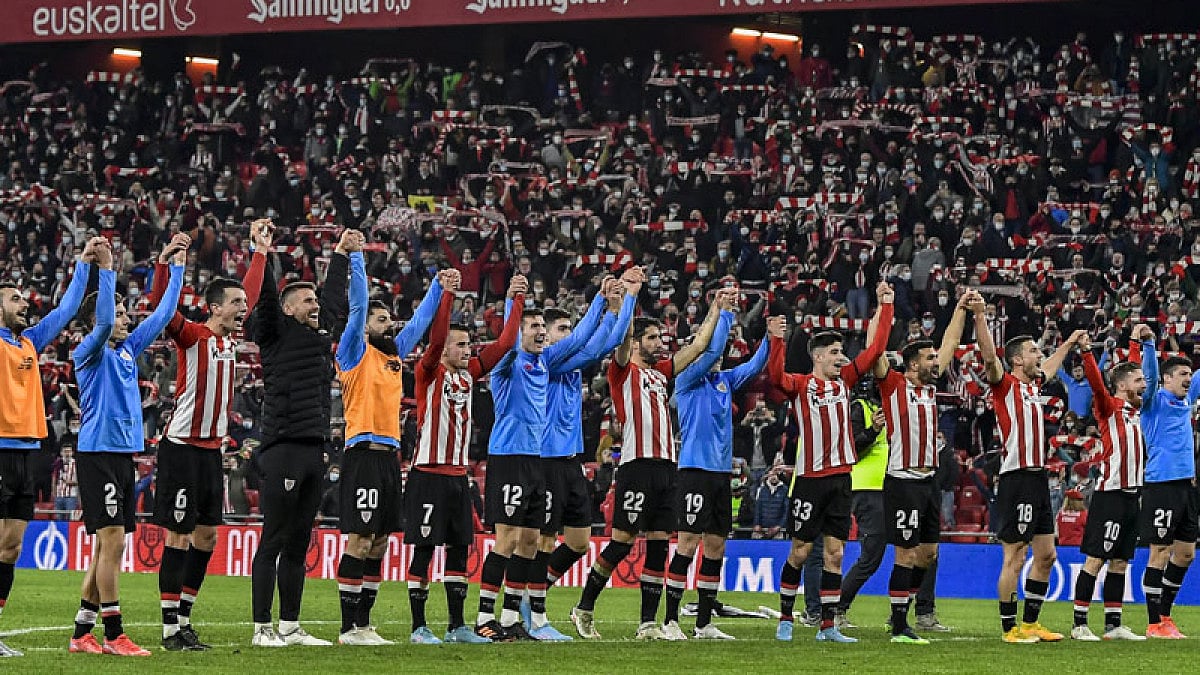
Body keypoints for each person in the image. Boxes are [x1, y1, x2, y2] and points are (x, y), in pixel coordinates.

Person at [571, 294, 727, 641]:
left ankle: (647, 624)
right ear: (638, 341)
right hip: (636, 466)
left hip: (666, 468)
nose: (660, 343)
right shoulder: (622, 370)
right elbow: (623, 341)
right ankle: (583, 608)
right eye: (653, 338)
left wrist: (716, 307)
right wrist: (630, 296)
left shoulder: (661, 374)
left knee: (659, 544)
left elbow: (700, 345)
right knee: (622, 542)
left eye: (660, 338)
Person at [149, 225, 268, 652]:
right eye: (235, 304)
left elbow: (250, 291)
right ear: (213, 308)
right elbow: (161, 310)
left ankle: (183, 618)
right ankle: (168, 630)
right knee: (178, 535)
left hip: (211, 451)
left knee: (207, 537)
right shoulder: (193, 335)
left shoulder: (229, 339)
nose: (243, 308)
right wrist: (165, 264)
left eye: (242, 303)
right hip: (181, 447)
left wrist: (260, 251)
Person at [70, 236, 185, 657]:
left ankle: (83, 632)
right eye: (118, 314)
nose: (123, 320)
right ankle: (114, 633)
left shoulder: (126, 352)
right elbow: (101, 325)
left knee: (106, 546)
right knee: (113, 543)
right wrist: (106, 269)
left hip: (121, 456)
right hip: (98, 454)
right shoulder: (90, 351)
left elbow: (163, 315)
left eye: (123, 313)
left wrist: (176, 269)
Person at [333, 231, 447, 646]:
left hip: (389, 458)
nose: (389, 324)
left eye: (388, 320)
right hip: (361, 452)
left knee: (380, 541)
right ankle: (348, 629)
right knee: (359, 539)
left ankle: (364, 625)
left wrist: (439, 285)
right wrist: (359, 257)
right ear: (364, 327)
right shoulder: (353, 352)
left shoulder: (394, 356)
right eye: (381, 320)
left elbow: (419, 323)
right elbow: (359, 305)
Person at [475, 280, 603, 641]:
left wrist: (600, 302)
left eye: (542, 328)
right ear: (519, 332)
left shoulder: (544, 363)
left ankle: (513, 617)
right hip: (508, 457)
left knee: (530, 542)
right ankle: (485, 618)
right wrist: (514, 298)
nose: (540, 333)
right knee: (508, 539)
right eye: (533, 327)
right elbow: (505, 338)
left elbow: (578, 342)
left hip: (534, 460)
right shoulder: (506, 363)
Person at [770, 281, 894, 644]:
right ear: (818, 357)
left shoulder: (846, 383)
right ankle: (786, 616)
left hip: (842, 480)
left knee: (835, 554)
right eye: (835, 352)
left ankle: (828, 626)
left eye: (842, 352)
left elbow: (875, 350)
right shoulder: (801, 384)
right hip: (810, 480)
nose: (842, 358)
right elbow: (775, 377)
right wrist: (777, 340)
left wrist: (885, 305)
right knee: (801, 550)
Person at [406, 272, 524, 645]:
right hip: (427, 474)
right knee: (425, 551)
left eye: (469, 344)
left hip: (459, 478)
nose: (466, 350)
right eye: (459, 345)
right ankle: (418, 627)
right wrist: (448, 295)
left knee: (460, 550)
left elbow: (505, 343)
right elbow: (437, 337)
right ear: (442, 350)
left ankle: (457, 626)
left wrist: (515, 298)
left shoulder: (470, 374)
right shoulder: (428, 372)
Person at [248, 227, 351, 647]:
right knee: (274, 536)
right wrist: (262, 250)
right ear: (289, 309)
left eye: (314, 299)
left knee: (298, 541)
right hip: (283, 448)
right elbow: (265, 299)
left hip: (313, 450)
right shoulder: (273, 332)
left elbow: (334, 302)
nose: (315, 305)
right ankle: (261, 628)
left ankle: (289, 626)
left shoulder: (318, 335)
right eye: (307, 300)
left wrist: (341, 253)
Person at [0, 237, 99, 658]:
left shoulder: (29, 342)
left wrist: (82, 265)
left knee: (11, 547)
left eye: (24, 298)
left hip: (28, 450)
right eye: (14, 298)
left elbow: (66, 311)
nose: (24, 303)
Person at [530, 269, 641, 640]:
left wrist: (618, 307)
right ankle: (537, 615)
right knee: (545, 541)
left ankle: (534, 595)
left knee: (578, 542)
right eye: (561, 329)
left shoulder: (570, 366)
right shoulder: (548, 361)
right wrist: (613, 303)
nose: (566, 334)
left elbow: (600, 344)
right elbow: (593, 345)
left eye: (565, 328)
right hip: (544, 461)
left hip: (571, 462)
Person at [866, 290, 978, 644]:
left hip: (928, 483)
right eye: (929, 359)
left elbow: (950, 341)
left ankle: (900, 613)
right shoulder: (893, 384)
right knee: (906, 553)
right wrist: (884, 306)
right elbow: (874, 350)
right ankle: (900, 625)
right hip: (902, 481)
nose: (936, 363)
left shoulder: (929, 389)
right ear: (913, 363)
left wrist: (961, 308)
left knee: (928, 554)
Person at [976, 309, 1086, 644]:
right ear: (1018, 359)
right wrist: (980, 316)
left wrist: (1067, 343)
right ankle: (1010, 629)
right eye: (1034, 351)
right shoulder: (1005, 385)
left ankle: (1031, 623)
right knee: (1015, 555)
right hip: (1017, 478)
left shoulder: (1033, 386)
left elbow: (1050, 367)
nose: (1040, 355)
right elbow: (989, 357)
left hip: (1038, 479)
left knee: (1046, 555)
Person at [667, 295, 772, 639]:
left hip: (719, 474)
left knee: (716, 546)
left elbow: (756, 366)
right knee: (687, 543)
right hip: (694, 471)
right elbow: (710, 352)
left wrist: (773, 337)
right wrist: (725, 314)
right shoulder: (685, 380)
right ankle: (669, 621)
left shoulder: (724, 380)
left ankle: (703, 624)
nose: (717, 355)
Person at [1069, 332, 1148, 642]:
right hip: (1110, 495)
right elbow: (1098, 384)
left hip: (1132, 496)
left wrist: (1135, 344)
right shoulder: (1109, 406)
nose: (1144, 384)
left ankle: (1113, 624)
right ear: (1123, 385)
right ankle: (1079, 624)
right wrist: (1088, 352)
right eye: (1139, 380)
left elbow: (1130, 368)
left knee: (1119, 562)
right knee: (1096, 559)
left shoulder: (1135, 411)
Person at [1136, 324, 1200, 639]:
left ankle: (1165, 616)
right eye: (1182, 374)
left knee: (1186, 553)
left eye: (1191, 374)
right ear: (1168, 378)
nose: (1189, 379)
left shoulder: (1185, 402)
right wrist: (1148, 344)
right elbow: (1148, 377)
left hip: (1187, 487)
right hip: (1161, 485)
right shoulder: (1153, 402)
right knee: (1159, 551)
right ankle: (1153, 623)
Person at [832, 377, 885, 630]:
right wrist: (872, 431)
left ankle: (921, 612)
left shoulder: (894, 409)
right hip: (868, 487)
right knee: (872, 556)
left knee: (923, 551)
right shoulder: (859, 408)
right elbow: (849, 448)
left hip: (894, 486)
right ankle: (837, 608)